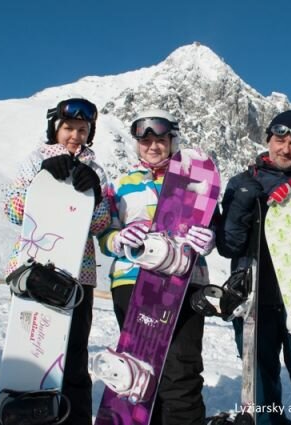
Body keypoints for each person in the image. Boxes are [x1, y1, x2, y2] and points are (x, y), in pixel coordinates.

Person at [97, 109, 215, 425]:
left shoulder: (197, 181)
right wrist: (118, 238)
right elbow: (104, 236)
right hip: (133, 280)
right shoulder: (121, 184)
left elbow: (210, 226)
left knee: (181, 367)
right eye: (145, 141)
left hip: (185, 281)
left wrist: (209, 240)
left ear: (172, 140)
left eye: (160, 140)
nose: (153, 146)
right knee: (141, 366)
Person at [3, 97, 110, 425]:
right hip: (34, 271)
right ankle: (27, 412)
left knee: (74, 353)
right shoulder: (34, 160)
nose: (75, 136)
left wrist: (95, 195)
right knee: (32, 347)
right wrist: (42, 180)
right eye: (68, 128)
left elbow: (100, 225)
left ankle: (76, 418)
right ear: (55, 129)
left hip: (79, 275)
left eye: (82, 130)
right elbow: (13, 212)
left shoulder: (96, 170)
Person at [216, 110, 291, 425]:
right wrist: (242, 204)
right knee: (260, 389)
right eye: (279, 140)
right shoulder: (242, 181)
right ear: (268, 140)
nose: (285, 149)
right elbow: (228, 246)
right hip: (254, 299)